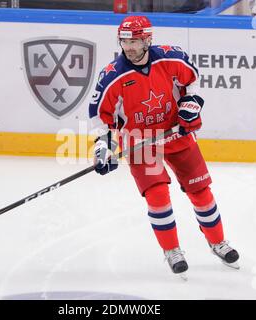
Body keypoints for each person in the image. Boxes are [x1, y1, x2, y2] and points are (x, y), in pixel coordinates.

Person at [88, 15, 239, 277]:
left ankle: (217, 242)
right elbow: (101, 117)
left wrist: (190, 105)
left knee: (201, 191)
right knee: (157, 195)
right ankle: (172, 250)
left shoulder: (172, 58)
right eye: (124, 42)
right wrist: (104, 148)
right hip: (140, 142)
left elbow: (190, 83)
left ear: (148, 39)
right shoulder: (112, 76)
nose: (129, 47)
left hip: (175, 134)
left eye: (134, 41)